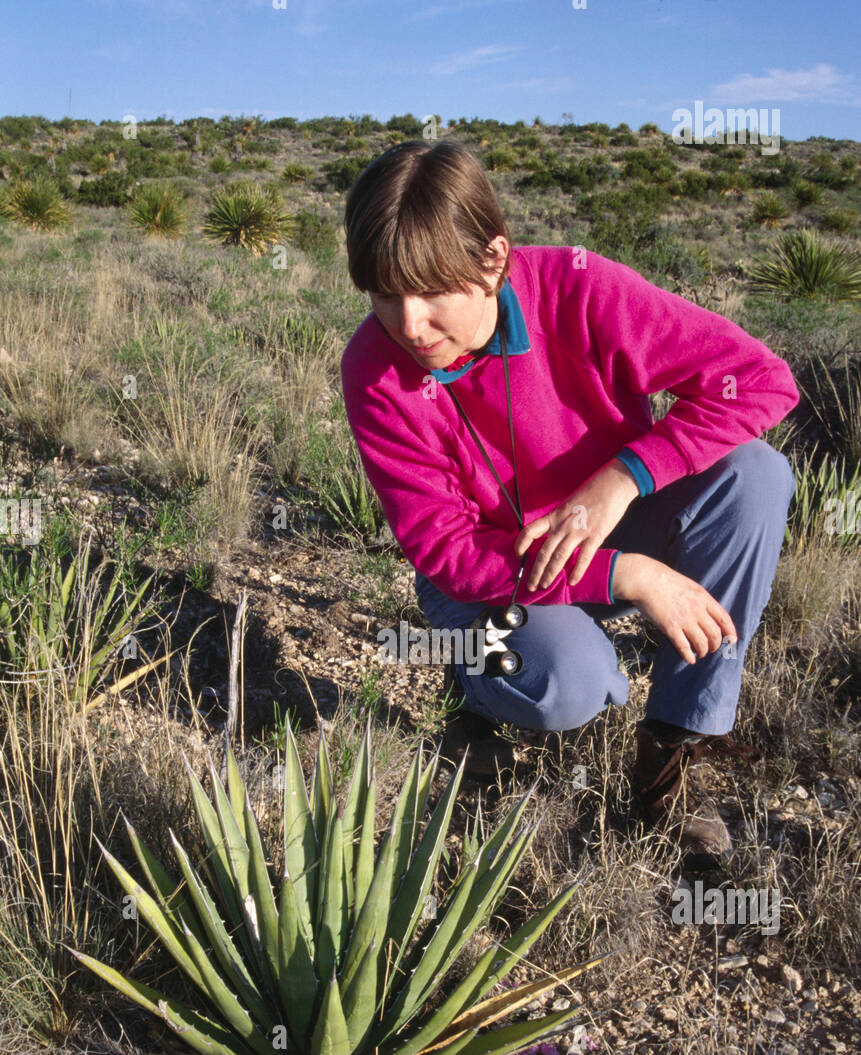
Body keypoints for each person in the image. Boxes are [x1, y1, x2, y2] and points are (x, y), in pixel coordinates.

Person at [339, 140, 799, 864]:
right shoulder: (374, 369)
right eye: (383, 294)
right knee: (568, 683)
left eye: (431, 291)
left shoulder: (578, 287)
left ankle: (669, 757)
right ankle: (473, 685)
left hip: (609, 524)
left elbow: (760, 380)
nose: (409, 323)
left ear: (493, 259)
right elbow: (447, 551)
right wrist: (627, 574)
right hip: (486, 579)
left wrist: (621, 478)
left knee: (755, 477)